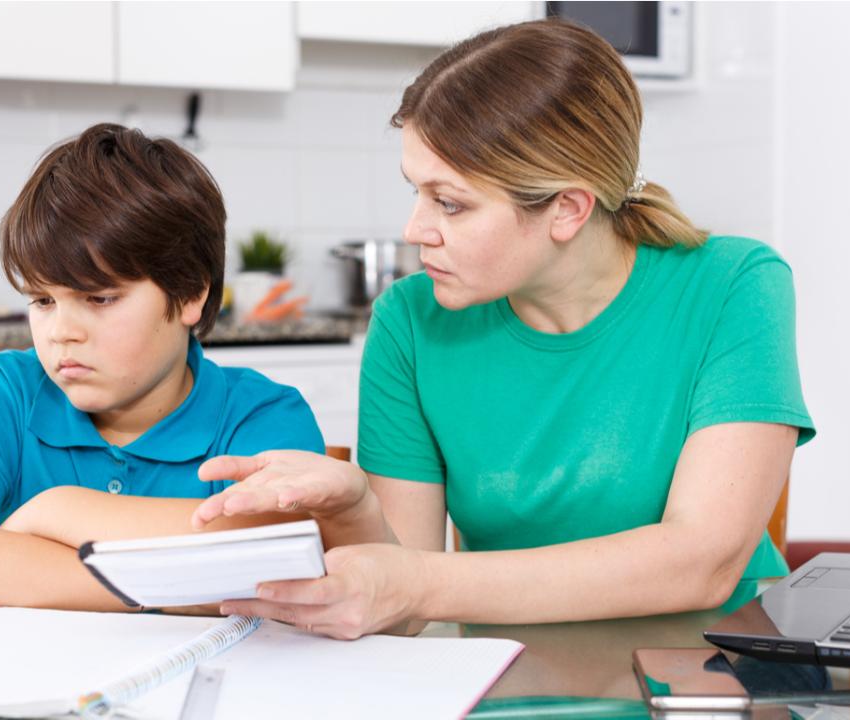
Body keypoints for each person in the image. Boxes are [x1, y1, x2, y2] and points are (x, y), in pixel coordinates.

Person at [189, 19, 815, 640]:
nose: (415, 229)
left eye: (450, 203)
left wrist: (421, 582)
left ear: (567, 209)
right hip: (505, 676)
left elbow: (701, 564)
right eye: (416, 192)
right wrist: (356, 507)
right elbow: (401, 610)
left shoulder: (734, 284)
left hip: (711, 671)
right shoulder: (410, 320)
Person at [0, 124, 324, 613]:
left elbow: (274, 560)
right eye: (42, 299)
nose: (60, 331)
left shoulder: (261, 415)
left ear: (192, 293)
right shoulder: (4, 391)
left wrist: (56, 512)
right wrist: (181, 581)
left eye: (99, 297)